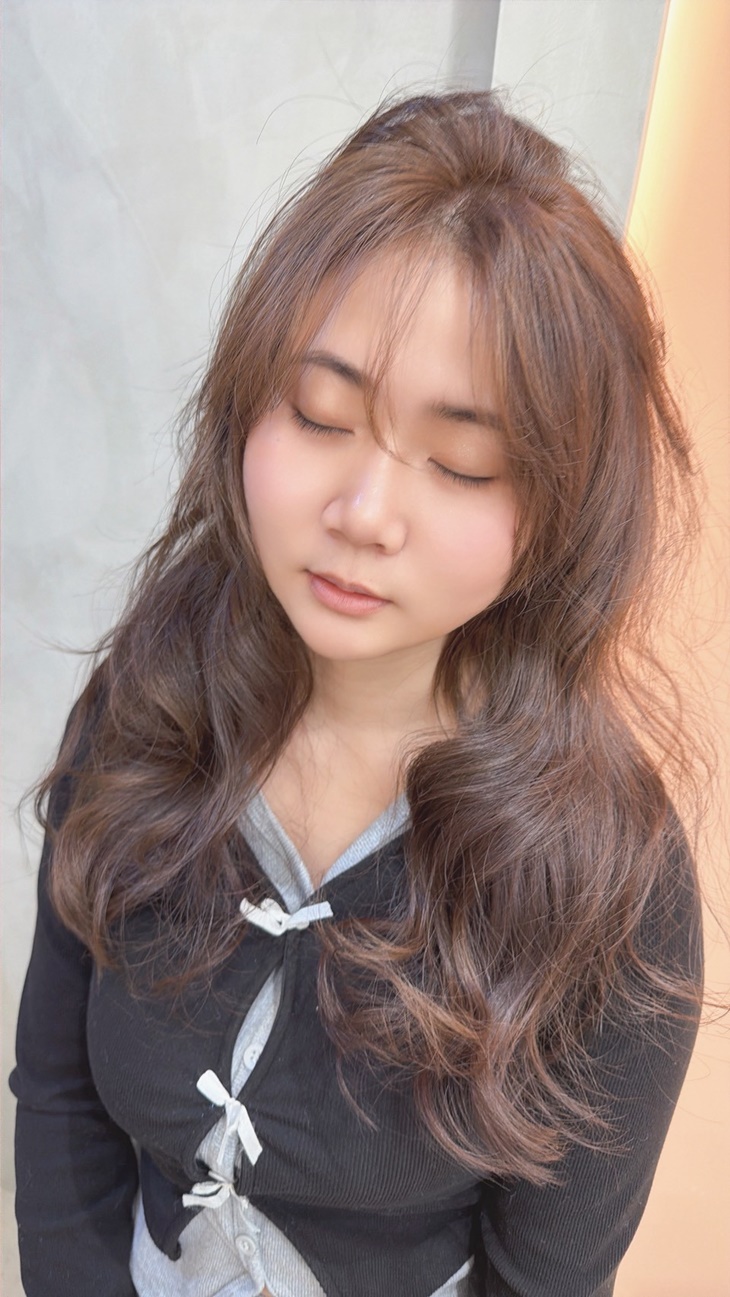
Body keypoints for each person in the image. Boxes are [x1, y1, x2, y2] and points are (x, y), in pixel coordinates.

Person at [10, 91, 703, 1297]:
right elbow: (60, 1100)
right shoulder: (149, 699)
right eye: (320, 413)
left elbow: (544, 1281)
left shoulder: (607, 880)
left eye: (460, 462)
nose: (364, 513)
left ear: (557, 509)